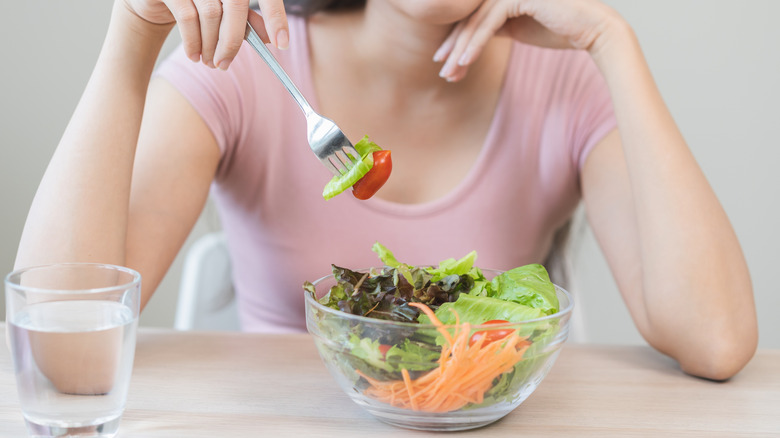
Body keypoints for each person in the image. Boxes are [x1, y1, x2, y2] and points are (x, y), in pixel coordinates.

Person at [15, 0, 757, 380]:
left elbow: (717, 341)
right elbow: (66, 353)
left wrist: (610, 41)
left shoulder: (566, 82)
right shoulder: (244, 65)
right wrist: (131, 35)